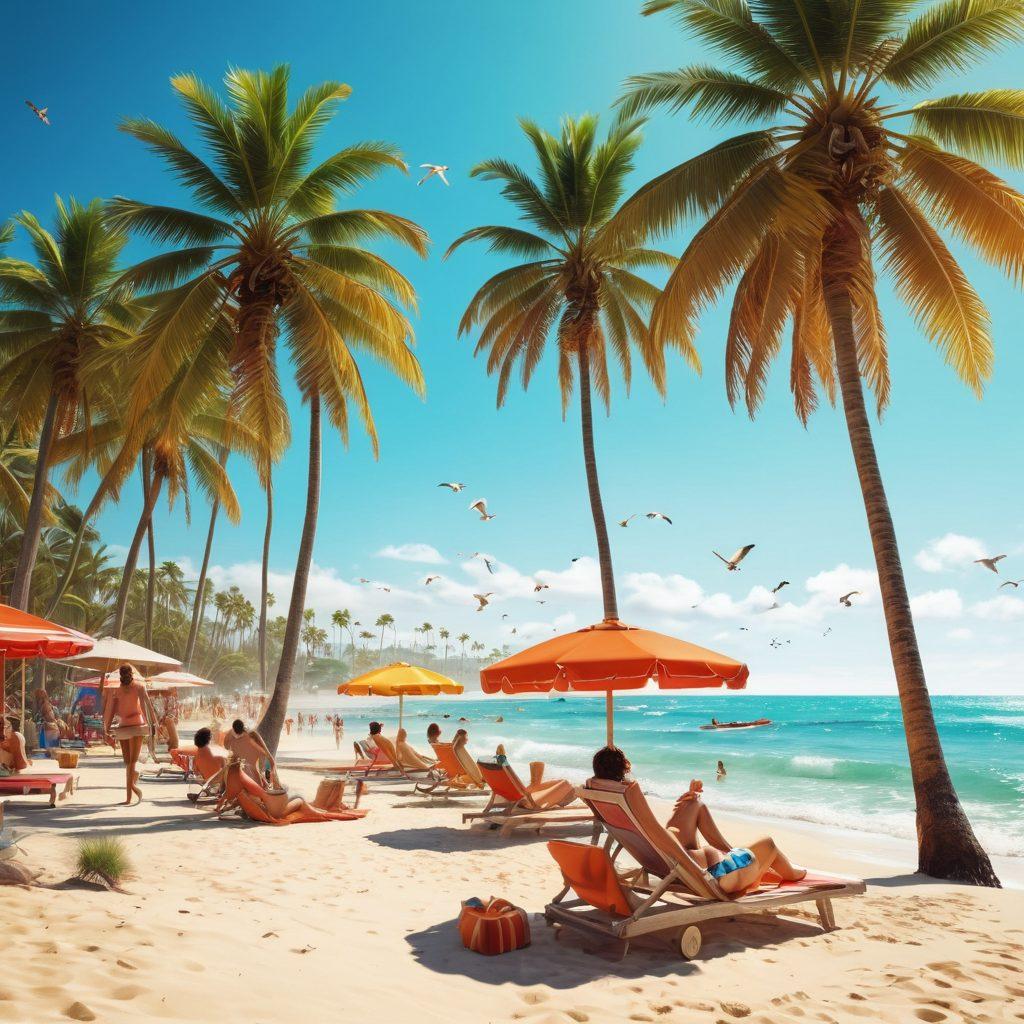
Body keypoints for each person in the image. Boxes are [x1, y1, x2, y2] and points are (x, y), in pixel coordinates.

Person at [590, 746, 805, 894]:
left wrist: (685, 807)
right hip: (714, 873)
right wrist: (694, 870)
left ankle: (733, 850)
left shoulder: (600, 793)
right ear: (625, 768)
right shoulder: (630, 793)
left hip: (675, 863)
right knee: (768, 843)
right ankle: (794, 874)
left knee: (695, 804)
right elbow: (657, 832)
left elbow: (657, 834)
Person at [103, 664, 157, 804]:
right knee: (132, 762)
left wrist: (106, 728)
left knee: (128, 762)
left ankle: (129, 796)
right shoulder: (139, 687)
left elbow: (111, 710)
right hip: (137, 725)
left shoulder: (116, 690)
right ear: (131, 674)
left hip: (124, 726)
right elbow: (147, 706)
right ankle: (132, 790)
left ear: (120, 675)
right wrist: (153, 723)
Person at [224, 719, 279, 787]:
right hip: (242, 772)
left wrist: (272, 773)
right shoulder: (232, 737)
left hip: (252, 772)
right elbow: (227, 747)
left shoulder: (252, 737)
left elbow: (268, 756)